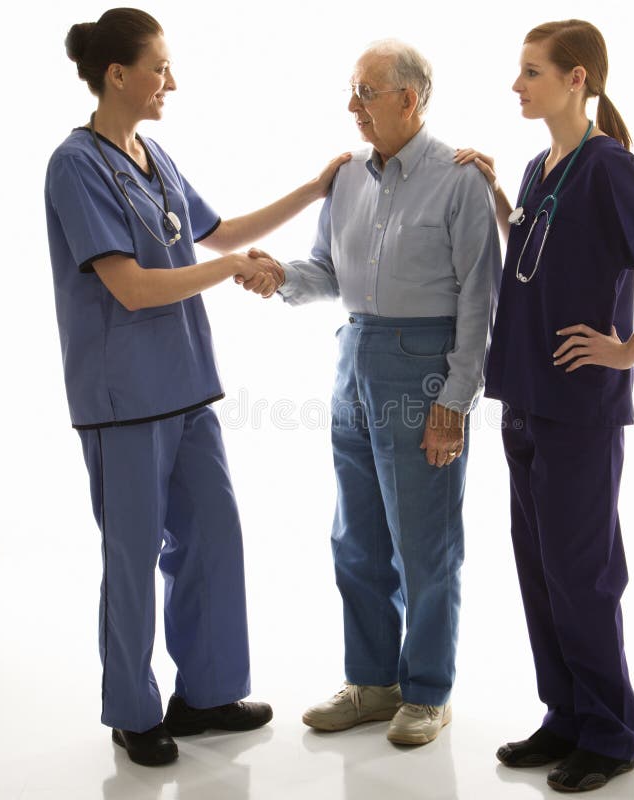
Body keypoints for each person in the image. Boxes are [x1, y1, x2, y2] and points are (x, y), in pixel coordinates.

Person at [45, 8, 348, 767]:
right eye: (159, 68)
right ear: (118, 75)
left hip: (186, 390)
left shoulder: (155, 156)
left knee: (214, 535)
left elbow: (221, 228)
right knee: (133, 554)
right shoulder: (75, 165)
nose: (170, 82)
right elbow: (133, 288)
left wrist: (316, 188)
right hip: (123, 400)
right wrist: (231, 268)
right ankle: (133, 710)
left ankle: (207, 694)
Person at [454, 18, 634, 793]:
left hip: (578, 407)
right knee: (540, 571)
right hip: (525, 394)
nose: (517, 84)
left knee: (583, 572)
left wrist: (627, 349)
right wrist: (498, 195)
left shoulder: (607, 166)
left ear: (577, 79)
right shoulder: (541, 165)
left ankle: (608, 734)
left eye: (532, 71)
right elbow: (535, 250)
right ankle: (564, 715)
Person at [248, 40, 500, 746]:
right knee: (355, 537)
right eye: (353, 91)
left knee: (425, 542)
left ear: (407, 99)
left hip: (422, 367)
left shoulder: (459, 180)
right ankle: (374, 681)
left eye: (365, 92)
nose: (352, 106)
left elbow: (481, 304)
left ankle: (427, 691)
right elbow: (329, 269)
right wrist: (283, 278)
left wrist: (454, 402)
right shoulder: (349, 177)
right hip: (354, 355)